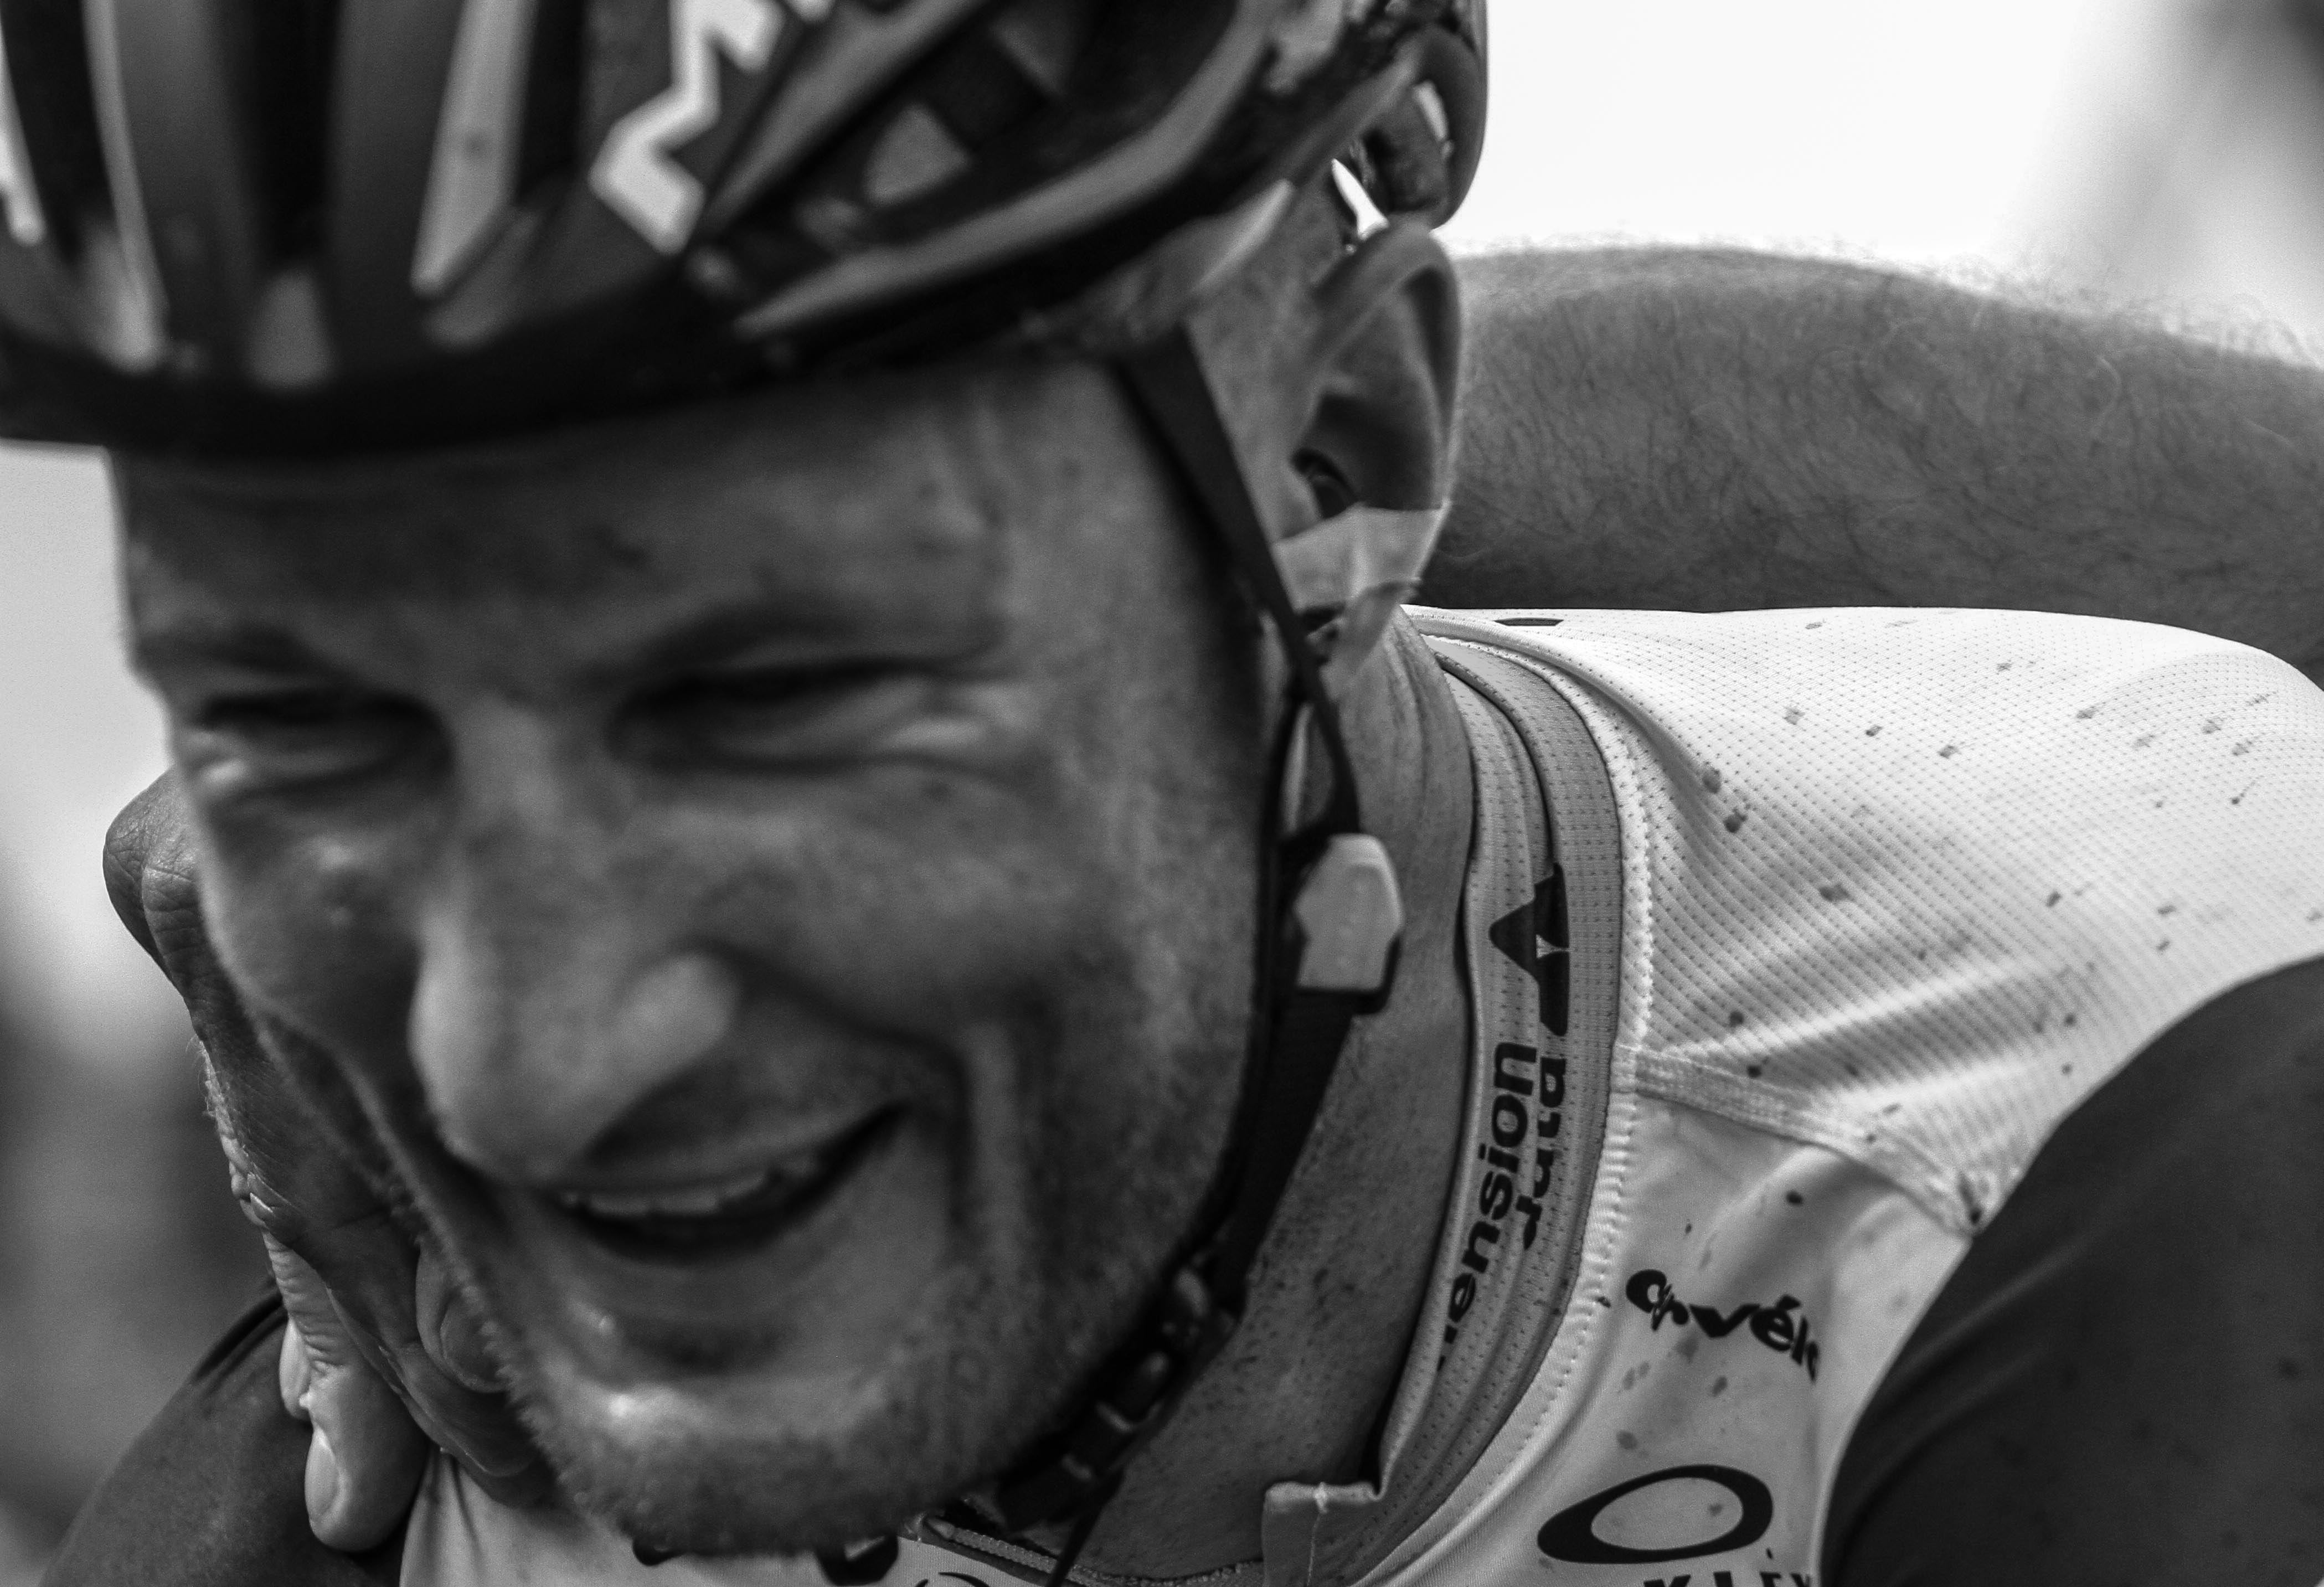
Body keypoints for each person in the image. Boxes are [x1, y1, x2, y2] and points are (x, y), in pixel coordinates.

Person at [27, 2, 2324, 1584]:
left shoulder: (2141, 1177)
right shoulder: (343, 1486)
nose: (522, 1061)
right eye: (296, 726)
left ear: (1346, 469)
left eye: (774, 696)